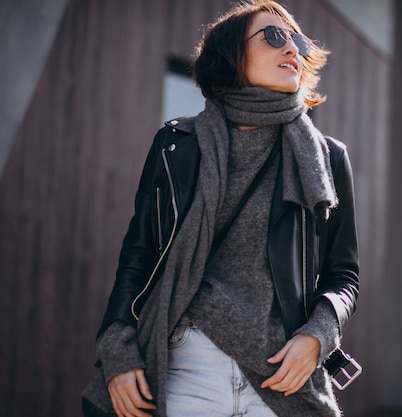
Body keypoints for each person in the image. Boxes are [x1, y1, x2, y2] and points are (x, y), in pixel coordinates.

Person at [82, 1, 359, 416]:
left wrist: (318, 336)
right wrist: (117, 350)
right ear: (230, 55)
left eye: (297, 41)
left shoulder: (327, 158)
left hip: (282, 372)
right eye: (273, 36)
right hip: (185, 362)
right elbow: (139, 259)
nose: (292, 50)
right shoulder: (177, 145)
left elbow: (343, 274)